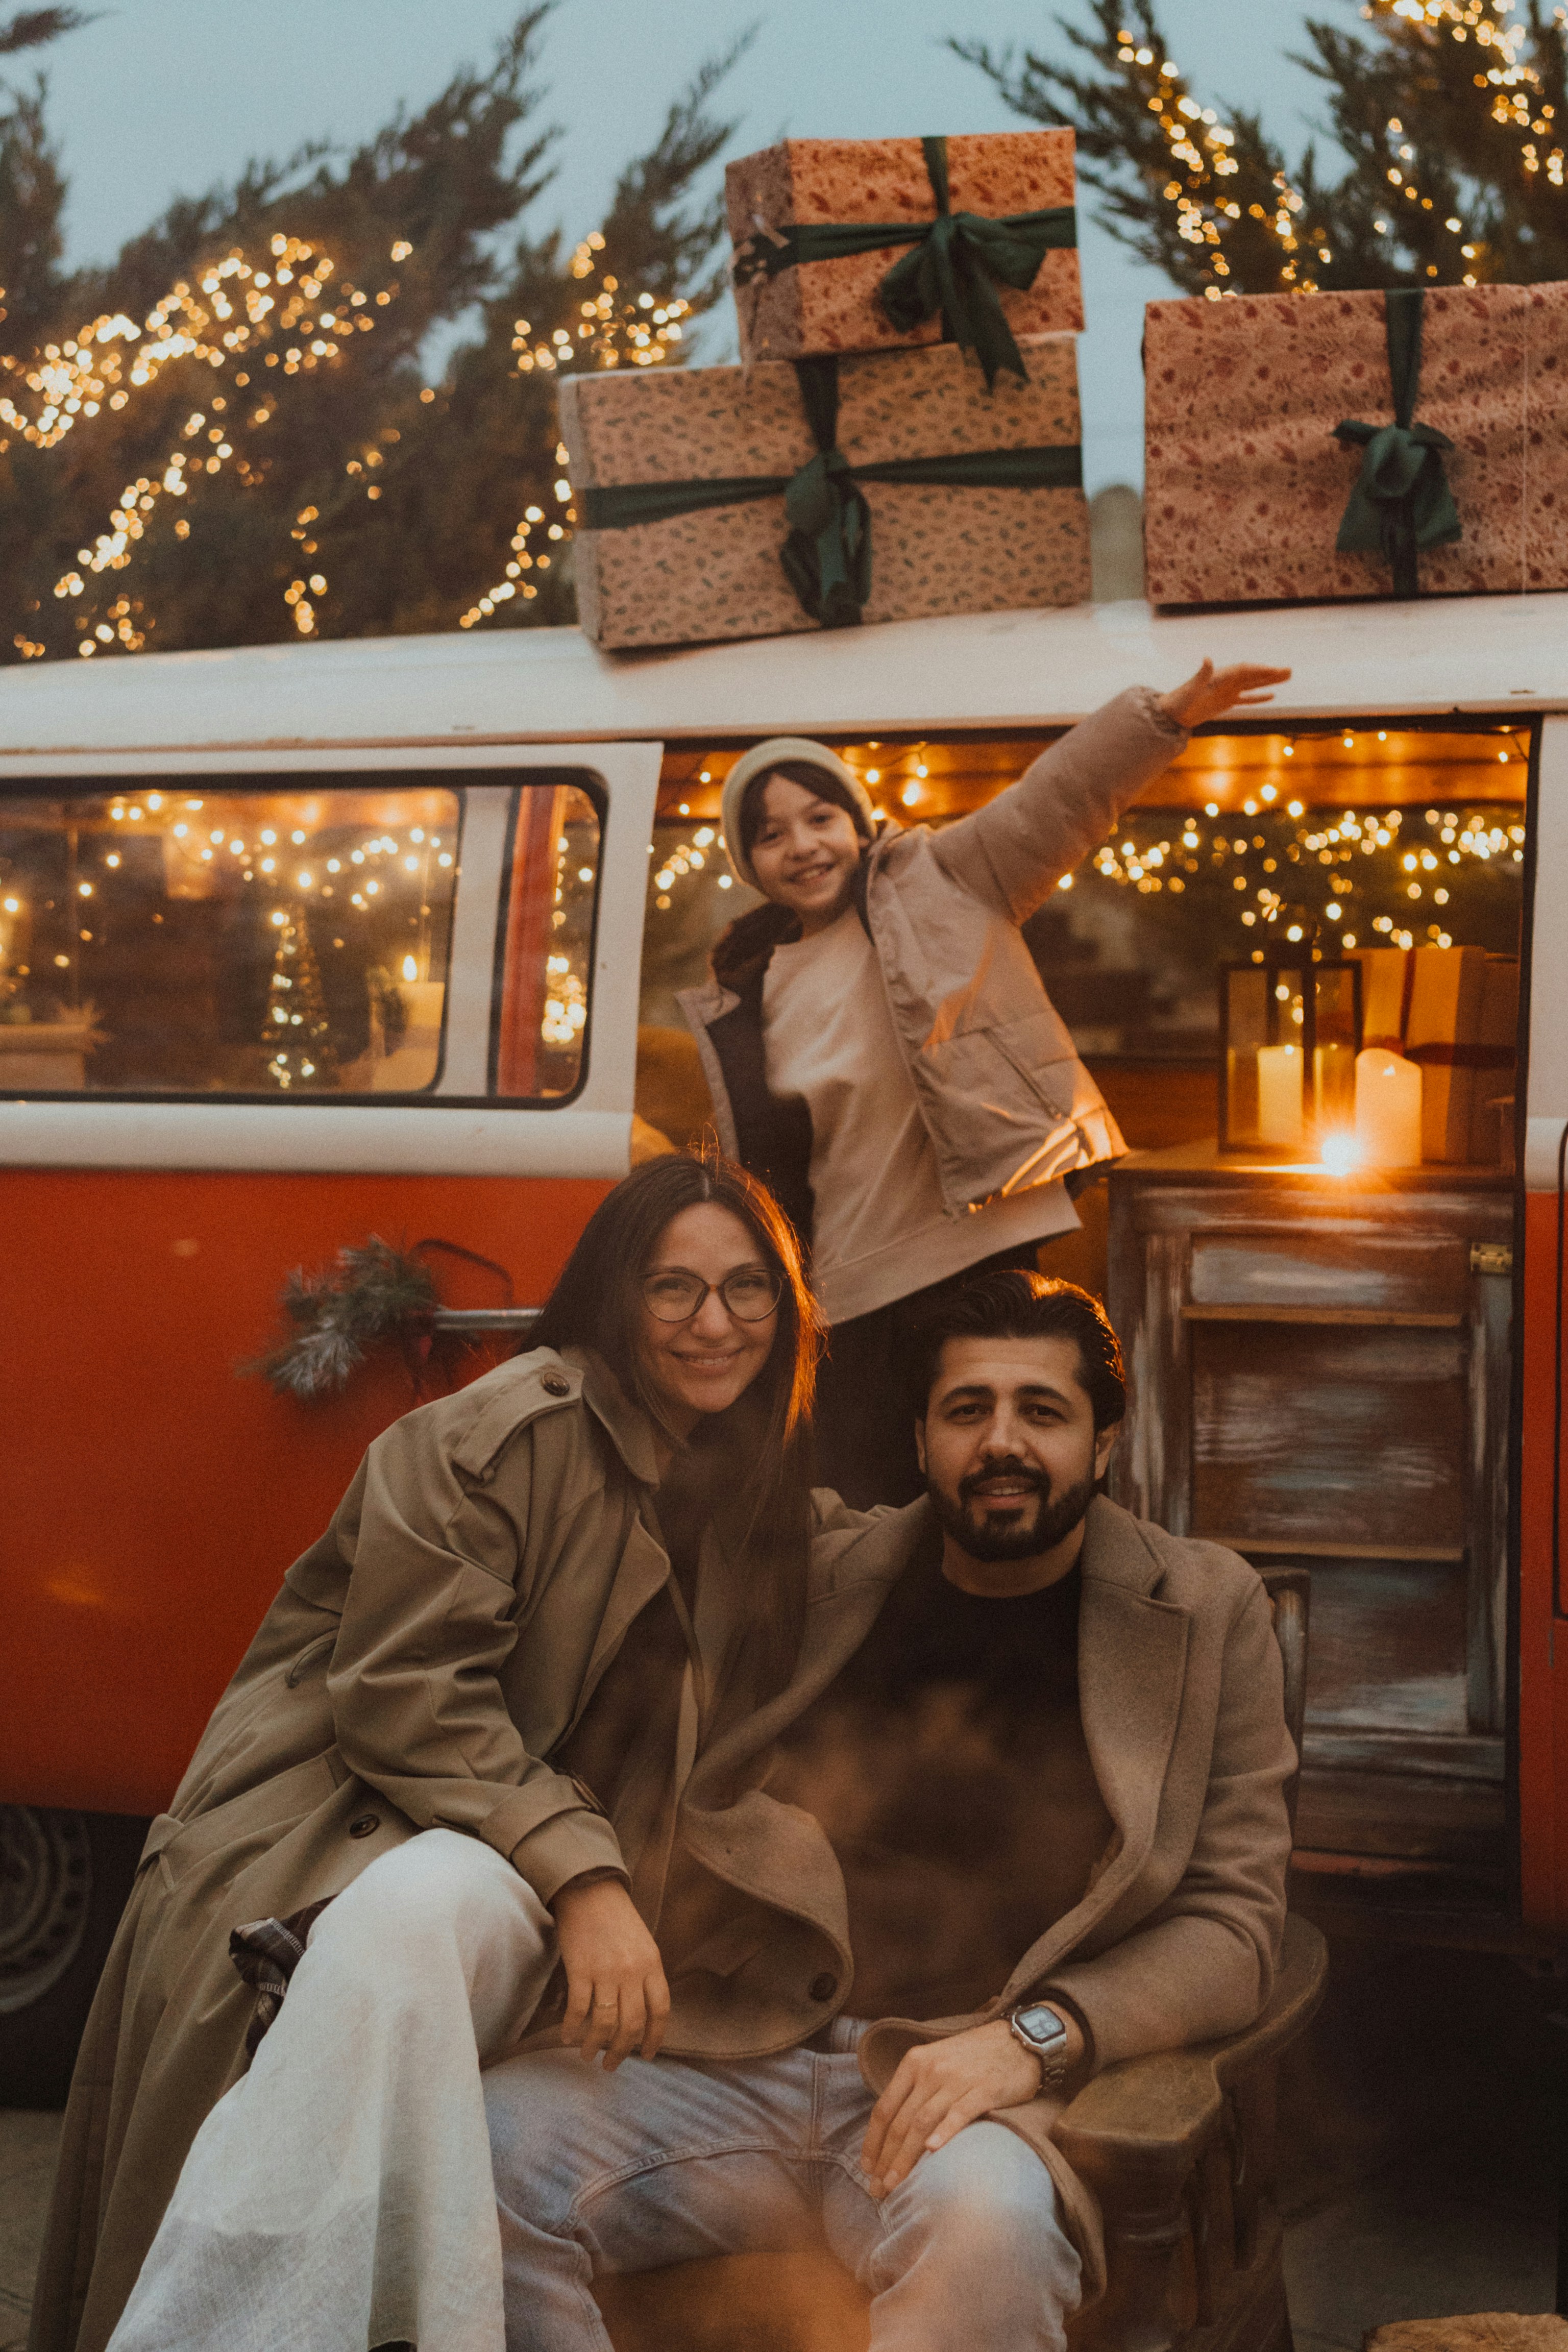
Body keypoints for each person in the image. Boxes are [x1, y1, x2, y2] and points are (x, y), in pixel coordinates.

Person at [31, 1153, 837, 2352]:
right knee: (412, 1915)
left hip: (529, 1864)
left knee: (430, 1926)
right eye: (674, 1288)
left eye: (747, 1288)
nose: (714, 1323)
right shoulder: (498, 1436)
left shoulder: (747, 1486)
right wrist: (588, 1879)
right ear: (615, 1296)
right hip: (367, 1828)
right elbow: (408, 1696)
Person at [484, 1269, 1296, 2352]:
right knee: (475, 2153)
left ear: (1104, 1442)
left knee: (993, 2232)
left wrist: (1037, 2040)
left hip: (972, 2087)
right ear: (920, 1440)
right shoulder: (822, 1575)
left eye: (1041, 1411)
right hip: (743, 2055)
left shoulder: (1202, 1610)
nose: (1001, 1443)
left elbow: (1235, 1926)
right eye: (967, 1410)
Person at [679, 656, 1291, 1507]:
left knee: (997, 1485)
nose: (804, 845)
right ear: (750, 862)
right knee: (857, 1510)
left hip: (978, 1249)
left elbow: (1056, 800)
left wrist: (1162, 716)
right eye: (771, 834)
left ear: (858, 821)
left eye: (820, 816)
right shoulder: (747, 988)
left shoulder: (944, 877)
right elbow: (775, 1166)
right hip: (848, 1292)